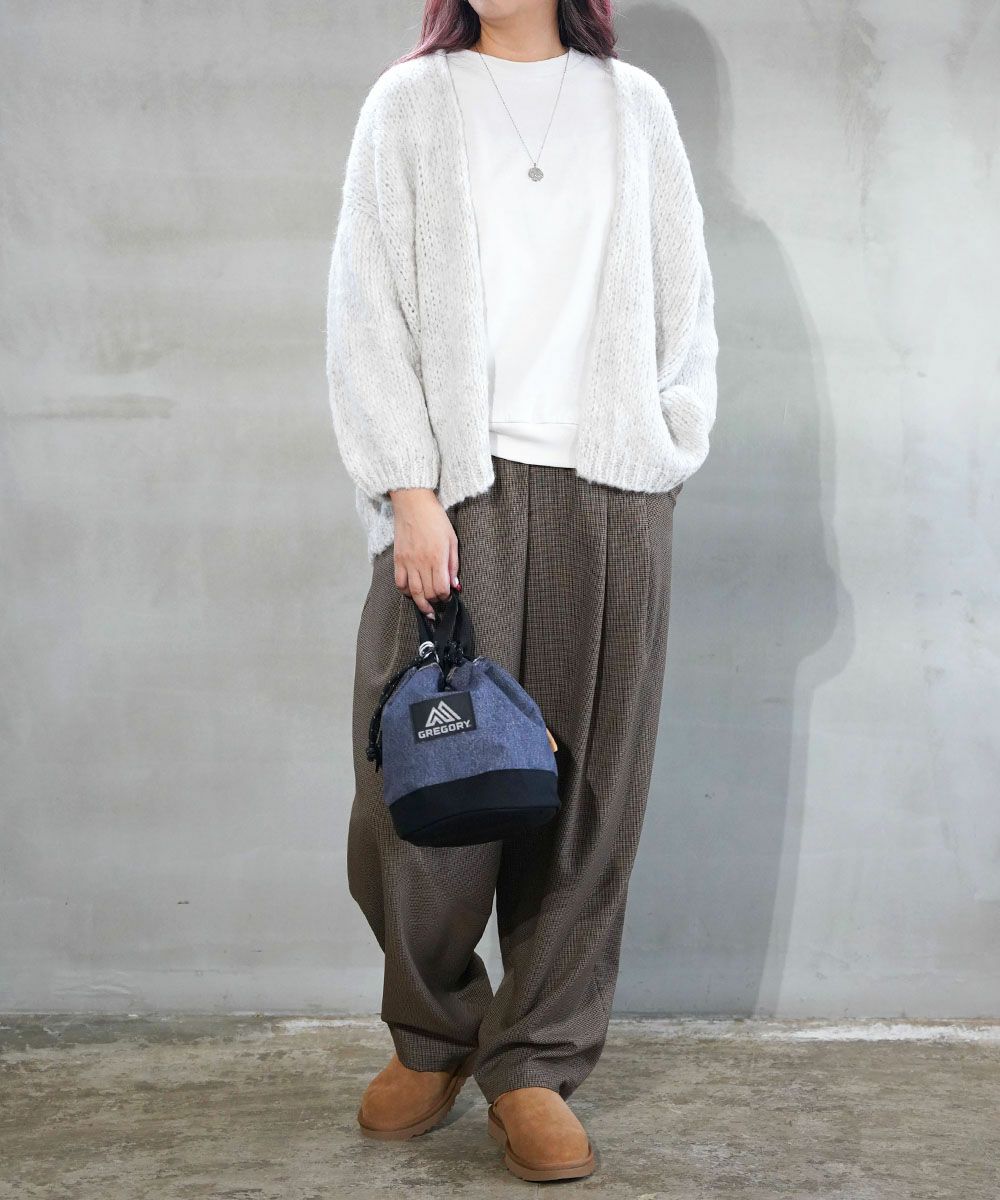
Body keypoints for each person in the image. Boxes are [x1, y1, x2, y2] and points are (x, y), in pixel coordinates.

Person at [324, 0, 718, 1183]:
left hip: (609, 490)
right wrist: (408, 490)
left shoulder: (634, 109)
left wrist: (660, 445)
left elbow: (685, 303)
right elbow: (365, 309)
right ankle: (435, 1030)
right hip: (460, 491)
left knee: (588, 796)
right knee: (419, 782)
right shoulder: (409, 103)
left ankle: (533, 1063)